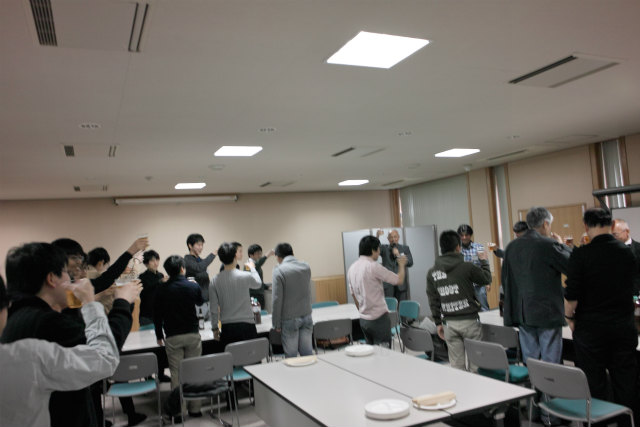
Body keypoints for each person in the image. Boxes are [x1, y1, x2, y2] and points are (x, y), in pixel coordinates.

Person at [1, 242, 141, 427]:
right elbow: (104, 356)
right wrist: (121, 302)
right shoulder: (47, 323)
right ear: (52, 278)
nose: (72, 279)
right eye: (67, 273)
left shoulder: (17, 318)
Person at [565, 209, 639, 425]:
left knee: (594, 382)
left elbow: (571, 296)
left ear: (585, 226)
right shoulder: (627, 253)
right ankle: (628, 422)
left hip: (591, 329)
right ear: (611, 224)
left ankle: (598, 422)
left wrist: (570, 318)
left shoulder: (581, 254)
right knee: (626, 381)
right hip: (623, 326)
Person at [502, 207, 571, 364]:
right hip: (548, 313)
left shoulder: (511, 246)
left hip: (523, 312)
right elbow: (573, 266)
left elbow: (505, 280)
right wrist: (562, 245)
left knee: (530, 360)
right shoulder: (549, 245)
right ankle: (550, 382)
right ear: (546, 224)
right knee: (551, 362)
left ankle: (534, 380)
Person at [427, 230, 492, 370]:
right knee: (476, 366)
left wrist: (438, 322)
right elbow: (486, 279)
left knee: (457, 367)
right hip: (470, 321)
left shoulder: (432, 272)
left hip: (449, 323)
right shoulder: (467, 267)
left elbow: (433, 300)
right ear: (458, 247)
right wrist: (484, 261)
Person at [348, 235, 407, 346]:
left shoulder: (352, 268)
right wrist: (402, 265)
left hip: (363, 319)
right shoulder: (373, 266)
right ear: (372, 250)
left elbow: (353, 294)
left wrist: (362, 310)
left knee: (371, 352)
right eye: (378, 249)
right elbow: (399, 280)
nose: (379, 252)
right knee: (383, 353)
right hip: (378, 319)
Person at [209, 243, 261, 347]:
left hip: (227, 328)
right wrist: (252, 268)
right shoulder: (244, 276)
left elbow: (213, 309)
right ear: (235, 255)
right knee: (250, 356)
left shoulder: (214, 281)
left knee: (231, 356)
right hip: (247, 326)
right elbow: (258, 284)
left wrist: (215, 328)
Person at [51, 237, 148, 293]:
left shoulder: (74, 283)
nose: (79, 262)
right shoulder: (57, 288)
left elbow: (105, 280)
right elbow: (105, 280)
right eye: (74, 257)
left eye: (80, 258)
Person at [271, 243, 313, 358]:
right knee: (307, 354)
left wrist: (276, 323)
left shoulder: (279, 270)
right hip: (307, 315)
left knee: (291, 356)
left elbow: (276, 299)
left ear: (278, 256)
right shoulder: (305, 266)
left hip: (289, 318)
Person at [457, 224, 490, 311]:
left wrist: (487, 282)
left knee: (484, 308)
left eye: (466, 235)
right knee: (466, 309)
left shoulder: (479, 247)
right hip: (463, 285)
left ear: (470, 235)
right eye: (462, 235)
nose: (464, 237)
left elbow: (485, 264)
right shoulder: (456, 249)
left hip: (479, 284)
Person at [376, 229, 413, 302]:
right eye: (391, 237)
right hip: (388, 285)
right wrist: (377, 236)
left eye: (395, 237)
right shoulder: (384, 248)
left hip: (401, 285)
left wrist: (398, 255)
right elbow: (375, 248)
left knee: (402, 306)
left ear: (398, 237)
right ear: (388, 239)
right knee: (389, 306)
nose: (393, 239)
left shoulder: (405, 248)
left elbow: (410, 262)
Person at [183, 233, 217, 301]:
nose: (201, 247)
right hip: (195, 300)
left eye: (202, 245)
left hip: (207, 299)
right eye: (198, 245)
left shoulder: (201, 261)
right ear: (190, 246)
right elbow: (199, 268)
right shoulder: (187, 259)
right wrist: (212, 254)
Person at [138, 250, 166, 326]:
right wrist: (160, 282)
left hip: (161, 313)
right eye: (152, 261)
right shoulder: (142, 277)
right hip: (147, 315)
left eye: (157, 260)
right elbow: (146, 292)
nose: (156, 263)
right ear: (146, 263)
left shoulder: (161, 275)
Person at [613, 219, 640, 294]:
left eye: (615, 234)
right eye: (611, 235)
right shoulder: (609, 250)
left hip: (635, 293)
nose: (613, 238)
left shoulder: (638, 248)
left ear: (627, 231)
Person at [247, 244, 275, 309]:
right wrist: (268, 255)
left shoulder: (256, 265)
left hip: (260, 294)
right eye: (257, 254)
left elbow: (258, 280)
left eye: (260, 253)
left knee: (261, 311)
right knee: (256, 311)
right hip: (253, 295)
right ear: (251, 255)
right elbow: (258, 264)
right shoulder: (248, 265)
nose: (260, 255)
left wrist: (267, 287)